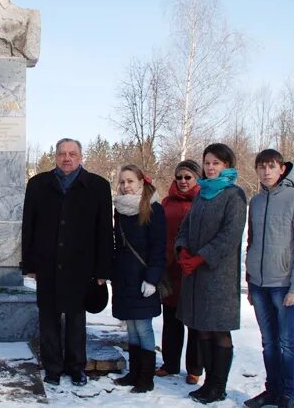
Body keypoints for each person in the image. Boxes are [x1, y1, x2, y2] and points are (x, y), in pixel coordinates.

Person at [21, 138, 113, 386]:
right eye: (62, 153)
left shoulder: (98, 186)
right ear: (55, 156)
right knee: (48, 318)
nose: (67, 158)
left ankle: (76, 367)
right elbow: (28, 226)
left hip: (80, 266)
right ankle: (52, 367)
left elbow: (105, 231)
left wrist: (103, 269)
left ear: (81, 157)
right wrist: (28, 263)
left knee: (76, 319)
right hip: (47, 263)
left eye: (72, 153)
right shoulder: (38, 184)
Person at [175, 143, 247, 404]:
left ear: (227, 166)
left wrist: (201, 257)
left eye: (216, 163)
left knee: (219, 330)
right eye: (207, 163)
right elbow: (185, 226)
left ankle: (219, 385)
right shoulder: (201, 194)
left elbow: (230, 235)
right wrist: (182, 250)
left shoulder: (234, 195)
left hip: (218, 276)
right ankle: (207, 383)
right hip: (195, 275)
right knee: (202, 328)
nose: (210, 167)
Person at [243, 149, 294, 408]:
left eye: (271, 166)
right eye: (261, 167)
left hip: (284, 284)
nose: (266, 171)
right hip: (259, 285)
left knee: (287, 342)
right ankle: (271, 390)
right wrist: (250, 280)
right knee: (268, 342)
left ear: (282, 168)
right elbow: (251, 242)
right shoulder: (257, 202)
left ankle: (287, 394)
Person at [111, 165, 166, 393]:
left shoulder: (153, 208)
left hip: (143, 278)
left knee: (143, 328)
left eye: (130, 181)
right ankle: (134, 373)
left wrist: (152, 279)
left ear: (141, 182)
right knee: (131, 328)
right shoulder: (120, 209)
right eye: (122, 182)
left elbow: (158, 247)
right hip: (124, 278)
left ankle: (146, 378)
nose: (126, 186)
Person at [157, 160, 203, 385]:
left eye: (188, 177)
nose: (183, 181)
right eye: (179, 177)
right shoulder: (167, 202)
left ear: (197, 178)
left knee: (193, 320)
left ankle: (194, 368)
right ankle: (170, 363)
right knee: (171, 319)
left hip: (193, 268)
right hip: (169, 268)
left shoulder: (203, 201)